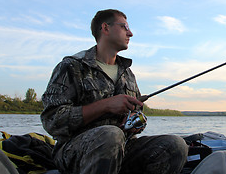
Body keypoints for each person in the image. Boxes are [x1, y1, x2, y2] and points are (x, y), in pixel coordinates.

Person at [40, 9, 188, 174]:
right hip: (75, 151)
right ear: (106, 28)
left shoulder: (128, 74)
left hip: (125, 147)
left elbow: (136, 111)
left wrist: (136, 123)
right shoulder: (71, 66)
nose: (130, 33)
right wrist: (106, 106)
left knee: (176, 144)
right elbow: (52, 120)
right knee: (110, 135)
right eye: (125, 27)